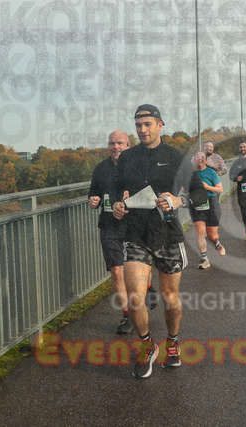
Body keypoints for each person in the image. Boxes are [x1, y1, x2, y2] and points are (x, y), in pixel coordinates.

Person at [112, 104, 206, 379]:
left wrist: (179, 200)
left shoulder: (175, 157)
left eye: (147, 124)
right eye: (138, 125)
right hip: (136, 234)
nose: (142, 130)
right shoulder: (127, 157)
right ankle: (146, 345)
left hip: (168, 235)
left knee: (169, 297)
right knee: (135, 295)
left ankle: (172, 342)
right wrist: (116, 204)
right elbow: (116, 190)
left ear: (160, 125)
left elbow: (200, 194)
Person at [88, 130, 156, 335]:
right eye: (112, 143)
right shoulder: (101, 168)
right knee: (117, 271)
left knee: (140, 271)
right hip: (110, 225)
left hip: (136, 225)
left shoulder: (139, 166)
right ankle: (127, 315)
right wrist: (93, 199)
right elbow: (94, 191)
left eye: (119, 143)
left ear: (128, 145)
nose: (115, 147)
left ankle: (148, 286)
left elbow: (153, 193)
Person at [190, 151, 225, 269]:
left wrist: (207, 187)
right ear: (194, 160)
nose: (200, 159)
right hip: (197, 203)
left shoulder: (211, 172)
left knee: (212, 235)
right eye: (197, 157)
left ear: (206, 160)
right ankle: (204, 259)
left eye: (202, 157)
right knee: (200, 231)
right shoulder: (191, 174)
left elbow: (220, 189)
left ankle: (216, 243)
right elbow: (184, 189)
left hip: (211, 202)